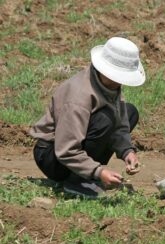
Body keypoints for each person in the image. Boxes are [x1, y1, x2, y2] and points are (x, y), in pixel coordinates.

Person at [29, 37, 145, 198]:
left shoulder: (108, 85)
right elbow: (66, 150)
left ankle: (84, 175)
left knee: (129, 111)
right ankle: (76, 181)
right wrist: (98, 172)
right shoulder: (79, 97)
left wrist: (127, 151)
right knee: (105, 119)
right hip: (53, 156)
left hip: (69, 149)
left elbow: (119, 123)